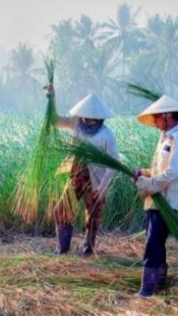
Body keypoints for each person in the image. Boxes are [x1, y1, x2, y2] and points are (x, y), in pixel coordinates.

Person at [47, 85, 119, 256]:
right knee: (62, 209)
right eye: (84, 116)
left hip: (96, 181)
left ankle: (88, 248)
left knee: (93, 215)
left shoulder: (106, 135)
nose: (85, 120)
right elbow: (55, 120)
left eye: (89, 118)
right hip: (76, 176)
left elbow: (113, 164)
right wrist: (52, 98)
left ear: (98, 117)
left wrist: (102, 188)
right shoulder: (76, 124)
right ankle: (62, 248)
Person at [134, 95, 178, 297]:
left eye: (157, 118)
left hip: (168, 201)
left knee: (153, 243)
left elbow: (174, 171)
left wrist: (150, 184)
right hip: (157, 200)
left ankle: (147, 289)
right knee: (156, 242)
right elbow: (160, 169)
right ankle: (160, 282)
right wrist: (145, 173)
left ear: (167, 116)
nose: (156, 122)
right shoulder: (164, 138)